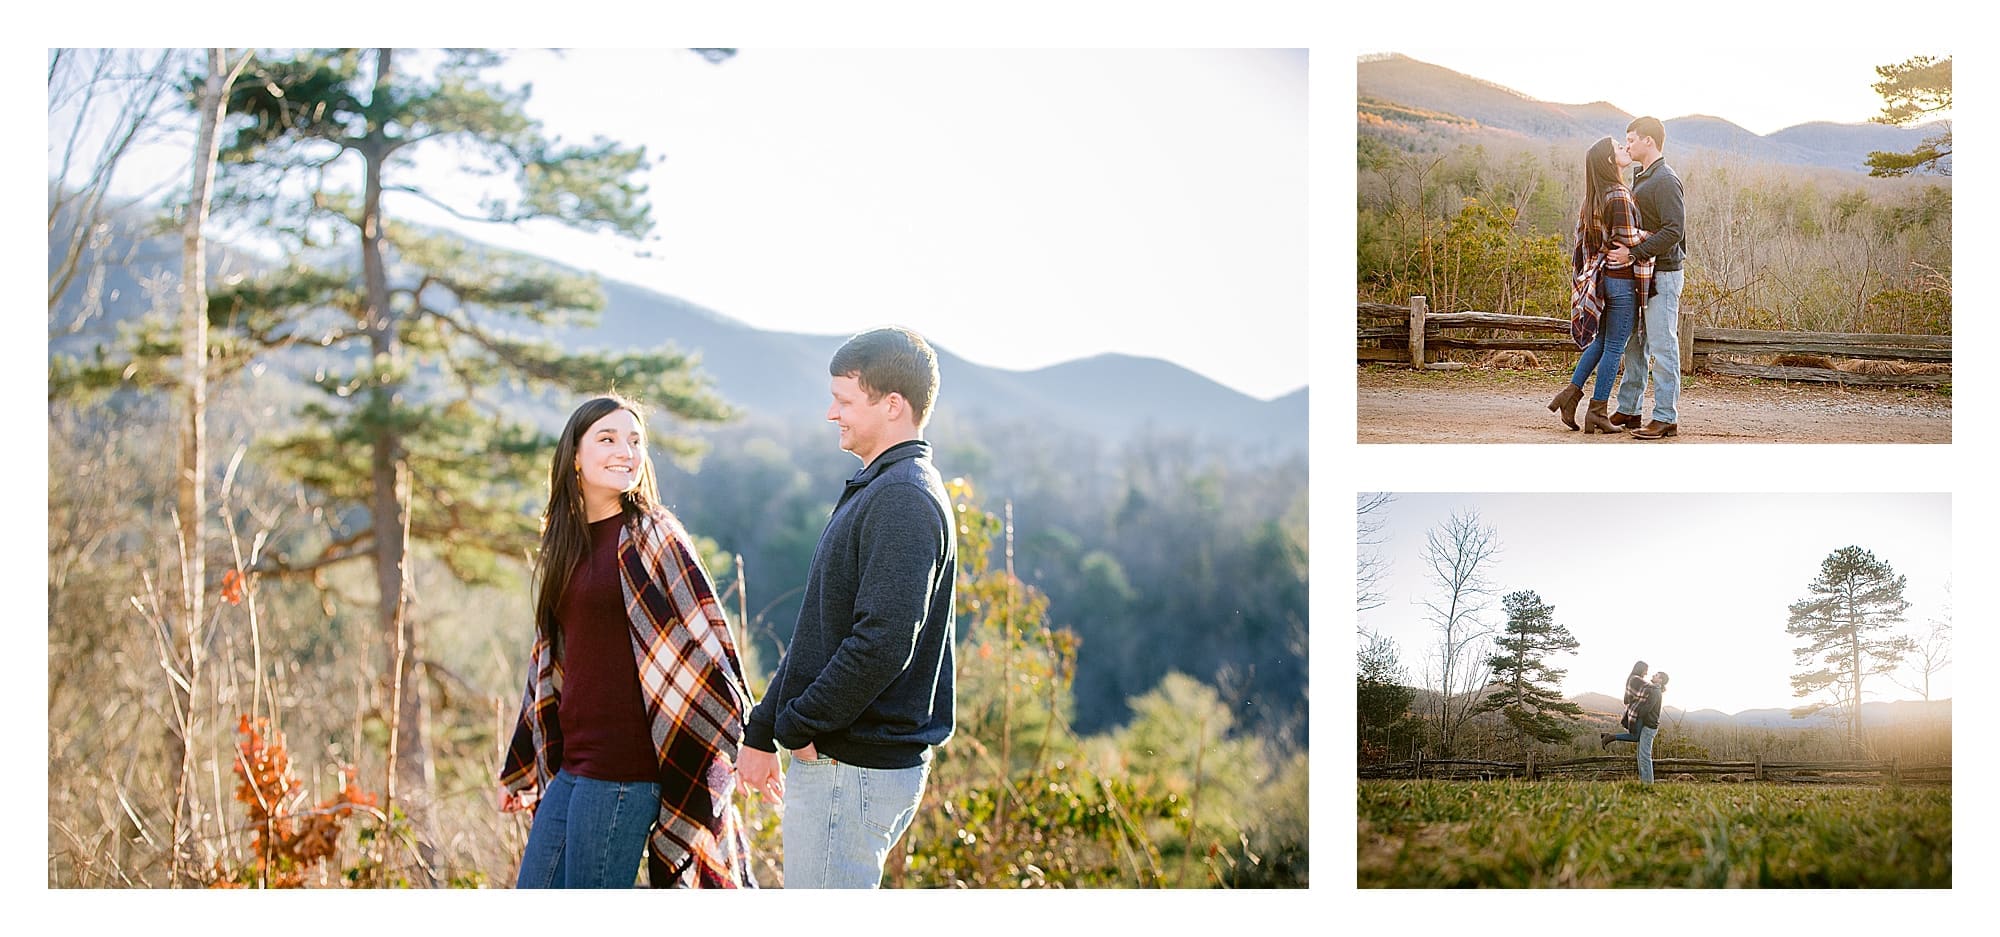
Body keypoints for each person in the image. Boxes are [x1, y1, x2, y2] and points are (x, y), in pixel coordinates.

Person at [499, 395, 757, 888]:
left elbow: (712, 638)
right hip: (572, 767)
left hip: (623, 773)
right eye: (608, 438)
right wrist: (522, 763)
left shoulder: (652, 532)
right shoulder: (566, 542)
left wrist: (751, 736)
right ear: (575, 454)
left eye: (635, 440)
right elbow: (549, 664)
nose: (626, 450)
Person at [737, 326, 958, 889]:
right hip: (842, 762)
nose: (831, 413)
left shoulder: (904, 497)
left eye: (844, 400)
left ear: (892, 405)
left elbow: (882, 641)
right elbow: (822, 631)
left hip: (852, 767)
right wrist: (764, 729)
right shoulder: (880, 487)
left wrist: (800, 725)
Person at [1550, 137, 1652, 433]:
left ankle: (1569, 395)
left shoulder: (1593, 197)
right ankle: (1597, 411)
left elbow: (1585, 246)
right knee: (1614, 348)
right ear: (1610, 160)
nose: (1624, 149)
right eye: (1619, 148)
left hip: (1604, 280)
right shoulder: (1618, 194)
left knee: (1602, 342)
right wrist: (1661, 235)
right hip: (1620, 282)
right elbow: (1628, 238)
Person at [1606, 116, 1687, 439]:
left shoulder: (1665, 179)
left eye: (1631, 139)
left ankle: (1666, 417)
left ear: (1649, 141)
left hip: (1663, 274)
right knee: (1635, 343)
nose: (1627, 145)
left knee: (1663, 346)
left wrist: (1632, 253)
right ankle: (1629, 409)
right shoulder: (1642, 177)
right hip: (1642, 275)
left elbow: (1674, 230)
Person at [1603, 672, 1669, 783]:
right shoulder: (1653, 689)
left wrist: (1635, 715)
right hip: (1646, 726)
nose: (1653, 675)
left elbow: (1647, 708)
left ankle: (1648, 785)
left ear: (1660, 680)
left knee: (1644, 757)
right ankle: (1645, 782)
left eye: (1656, 675)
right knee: (1641, 756)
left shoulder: (1655, 691)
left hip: (1649, 727)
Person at [1601, 660, 1649, 747]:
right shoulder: (1636, 679)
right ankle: (1610, 737)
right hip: (1636, 711)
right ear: (1641, 669)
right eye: (1646, 670)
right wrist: (1659, 685)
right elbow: (1650, 688)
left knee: (1636, 736)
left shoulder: (1632, 678)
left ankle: (1609, 736)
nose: (1646, 673)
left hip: (1634, 711)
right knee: (1635, 737)